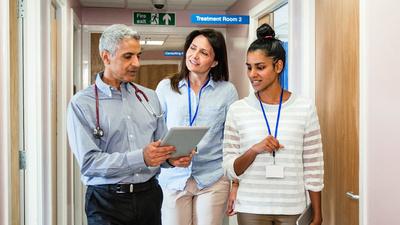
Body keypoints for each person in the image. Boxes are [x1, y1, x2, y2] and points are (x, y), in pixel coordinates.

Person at [67, 24, 191, 225]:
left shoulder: (149, 97)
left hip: (149, 196)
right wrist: (141, 157)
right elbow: (89, 164)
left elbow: (160, 146)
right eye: (128, 56)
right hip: (106, 202)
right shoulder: (82, 103)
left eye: (138, 55)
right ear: (106, 57)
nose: (136, 63)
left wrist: (172, 159)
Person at [222, 23, 324, 225]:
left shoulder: (305, 107)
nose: (252, 74)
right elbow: (230, 168)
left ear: (278, 66)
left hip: (292, 207)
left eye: (260, 67)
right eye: (249, 68)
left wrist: (318, 212)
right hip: (251, 207)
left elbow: (314, 165)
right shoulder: (238, 110)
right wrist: (254, 150)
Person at [155, 29, 238, 225]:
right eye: (192, 48)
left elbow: (233, 140)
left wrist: (236, 183)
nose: (195, 56)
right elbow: (156, 131)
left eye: (204, 53)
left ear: (215, 62)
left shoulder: (227, 91)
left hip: (212, 177)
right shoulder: (166, 87)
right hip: (173, 177)